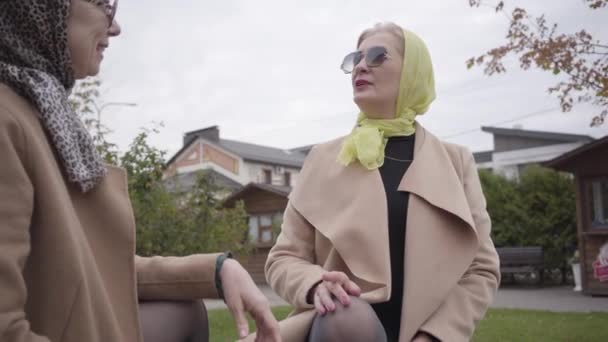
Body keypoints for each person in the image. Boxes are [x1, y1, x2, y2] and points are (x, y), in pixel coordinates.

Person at [0, 1, 280, 341]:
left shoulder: (38, 112)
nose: (115, 27)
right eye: (104, 4)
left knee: (184, 310)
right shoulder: (9, 119)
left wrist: (218, 270)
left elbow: (87, 267)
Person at [251, 22, 500, 342]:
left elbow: (481, 269)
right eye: (355, 59)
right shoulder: (321, 159)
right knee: (347, 315)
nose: (361, 66)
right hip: (338, 327)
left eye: (378, 56)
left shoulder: (456, 162)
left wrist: (437, 336)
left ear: (413, 71)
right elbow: (283, 259)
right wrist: (314, 284)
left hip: (425, 334)